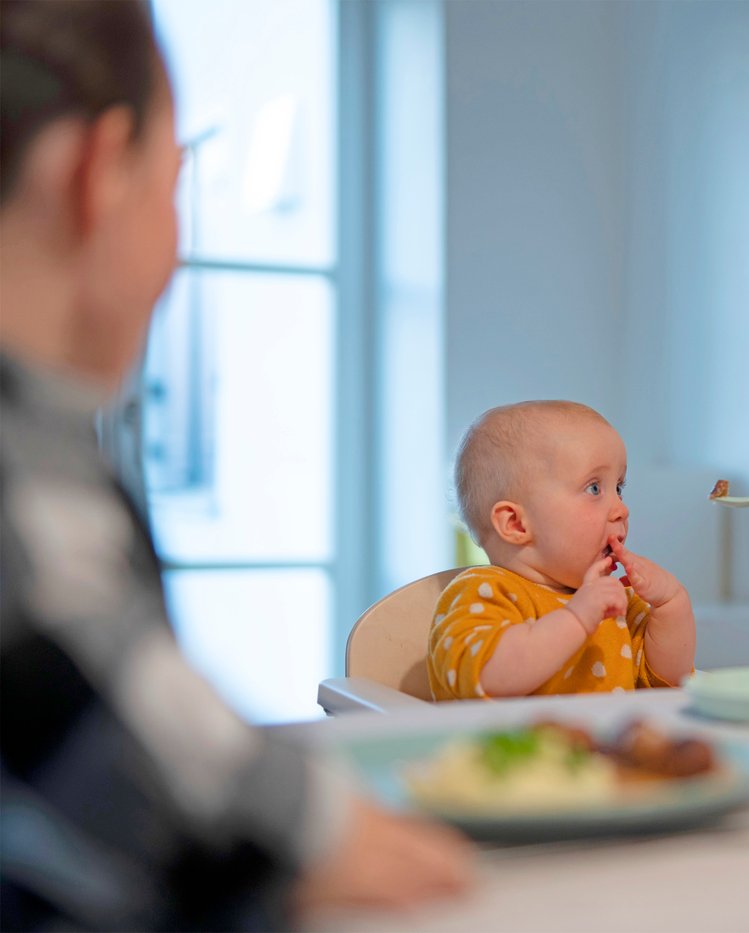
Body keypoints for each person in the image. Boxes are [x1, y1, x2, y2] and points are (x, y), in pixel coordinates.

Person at [0, 2, 473, 927]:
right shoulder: (29, 469)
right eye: (174, 186)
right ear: (95, 174)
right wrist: (318, 829)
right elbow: (119, 698)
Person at [430, 400, 695, 700]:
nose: (621, 509)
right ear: (517, 524)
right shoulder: (484, 593)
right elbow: (487, 679)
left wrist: (672, 604)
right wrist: (577, 617)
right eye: (594, 488)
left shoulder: (615, 604)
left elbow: (667, 682)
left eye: (618, 487)